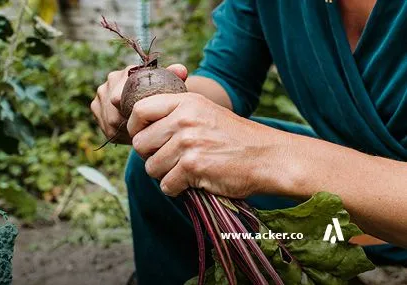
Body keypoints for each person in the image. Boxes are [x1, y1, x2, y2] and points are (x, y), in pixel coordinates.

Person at [92, 0, 407, 283]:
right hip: (340, 217)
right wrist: (156, 106)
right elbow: (227, 78)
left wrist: (272, 156)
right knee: (171, 159)